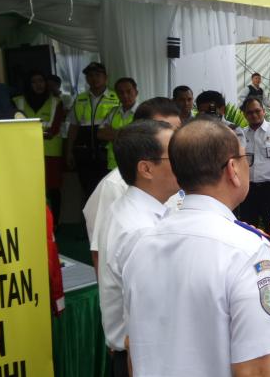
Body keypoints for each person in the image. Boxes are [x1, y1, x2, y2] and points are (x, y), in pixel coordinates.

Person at [123, 119, 270, 376]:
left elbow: (133, 345)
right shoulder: (247, 250)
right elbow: (255, 369)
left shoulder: (142, 244)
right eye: (245, 158)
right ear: (232, 168)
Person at [98, 119, 179, 377]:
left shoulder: (137, 211)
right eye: (175, 154)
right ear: (146, 168)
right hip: (144, 361)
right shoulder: (142, 232)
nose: (184, 159)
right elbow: (147, 325)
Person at [84, 97, 183, 272]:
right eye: (163, 128)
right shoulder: (114, 186)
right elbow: (100, 253)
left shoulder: (171, 180)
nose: (179, 145)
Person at [14, 70, 67, 222]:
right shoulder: (17, 101)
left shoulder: (56, 102)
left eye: (41, 81)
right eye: (34, 82)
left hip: (51, 152)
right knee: (29, 188)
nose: (38, 85)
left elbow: (54, 130)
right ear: (28, 85)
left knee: (53, 189)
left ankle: (54, 223)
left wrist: (29, 135)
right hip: (25, 153)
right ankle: (32, 221)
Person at [66, 62, 120, 202]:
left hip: (106, 152)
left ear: (106, 77)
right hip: (84, 152)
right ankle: (91, 223)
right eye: (90, 75)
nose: (94, 78)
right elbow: (73, 126)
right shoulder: (80, 98)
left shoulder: (117, 97)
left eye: (98, 75)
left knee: (109, 191)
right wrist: (69, 151)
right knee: (88, 191)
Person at [238, 96, 270, 232]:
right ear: (244, 114)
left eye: (257, 111)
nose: (254, 115)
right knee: (247, 228)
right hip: (249, 190)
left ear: (264, 111)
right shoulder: (241, 135)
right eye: (249, 112)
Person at [98, 78, 139, 170]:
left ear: (136, 92)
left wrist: (112, 132)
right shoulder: (112, 112)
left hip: (134, 164)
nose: (125, 95)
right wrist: (128, 134)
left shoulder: (143, 111)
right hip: (113, 164)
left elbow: (139, 138)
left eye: (129, 91)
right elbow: (100, 134)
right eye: (121, 92)